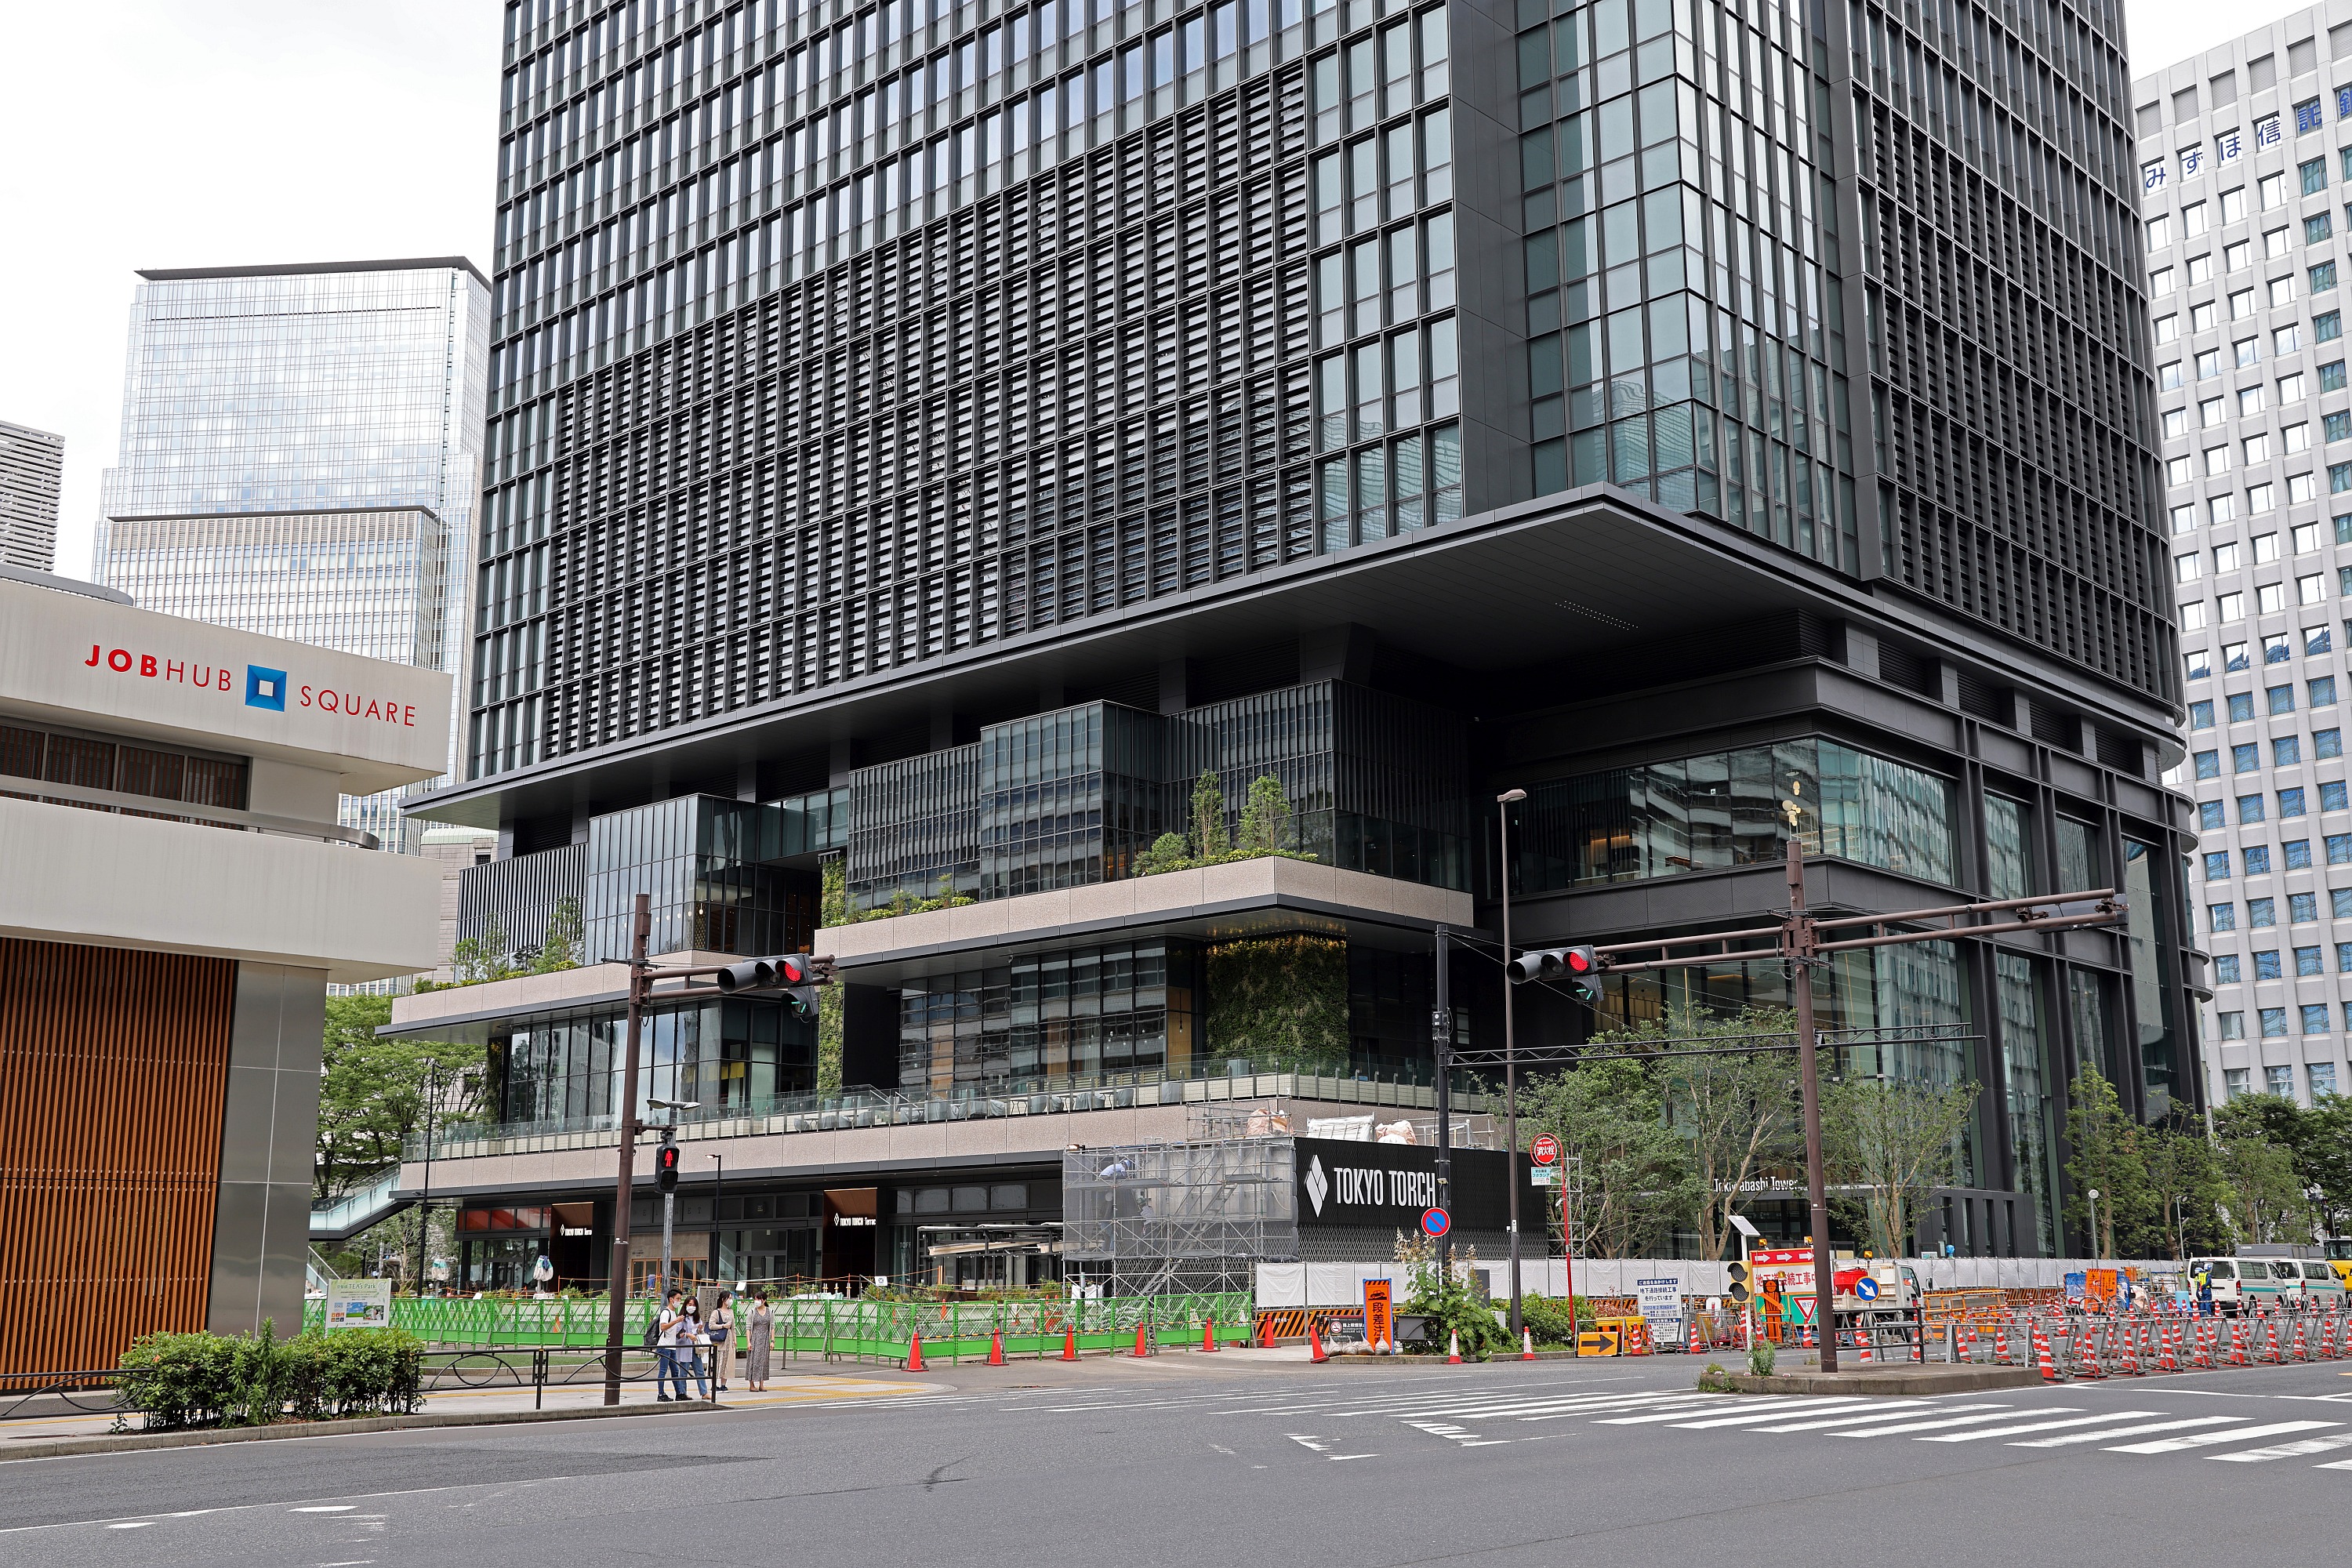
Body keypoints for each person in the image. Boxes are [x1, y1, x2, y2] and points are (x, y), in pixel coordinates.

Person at [673, 1295, 711, 1401]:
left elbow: (700, 1332)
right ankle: (682, 1393)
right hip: (685, 1347)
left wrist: (700, 1330)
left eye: (694, 1305)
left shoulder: (697, 1318)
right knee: (683, 1372)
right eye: (690, 1305)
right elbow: (677, 1334)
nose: (692, 1307)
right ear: (686, 1305)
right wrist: (687, 1335)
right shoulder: (681, 1318)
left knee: (700, 1370)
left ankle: (704, 1392)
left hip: (695, 1348)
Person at [654, 1289, 686, 1402]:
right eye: (677, 1299)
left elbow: (671, 1331)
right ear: (671, 1299)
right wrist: (676, 1321)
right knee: (663, 1371)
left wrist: (679, 1335)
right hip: (664, 1346)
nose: (679, 1301)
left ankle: (679, 1393)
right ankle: (661, 1394)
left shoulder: (674, 1313)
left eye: (680, 1299)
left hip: (671, 1346)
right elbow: (663, 1327)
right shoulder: (666, 1312)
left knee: (675, 1371)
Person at [745, 1290, 775, 1392]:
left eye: (758, 1299)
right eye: (755, 1299)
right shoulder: (752, 1312)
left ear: (764, 1300)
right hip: (755, 1339)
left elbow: (772, 1327)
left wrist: (772, 1341)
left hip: (765, 1339)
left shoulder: (770, 1312)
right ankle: (752, 1384)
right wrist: (748, 1342)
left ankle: (762, 1384)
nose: (756, 1301)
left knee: (764, 1361)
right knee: (753, 1361)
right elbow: (748, 1328)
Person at [709, 1290, 736, 1391]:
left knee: (727, 1363)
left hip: (729, 1341)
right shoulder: (716, 1312)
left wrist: (734, 1339)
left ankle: (723, 1384)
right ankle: (714, 1384)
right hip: (719, 1342)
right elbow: (711, 1325)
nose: (731, 1300)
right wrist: (723, 1326)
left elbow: (733, 1327)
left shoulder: (731, 1311)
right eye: (729, 1298)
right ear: (723, 1299)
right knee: (717, 1363)